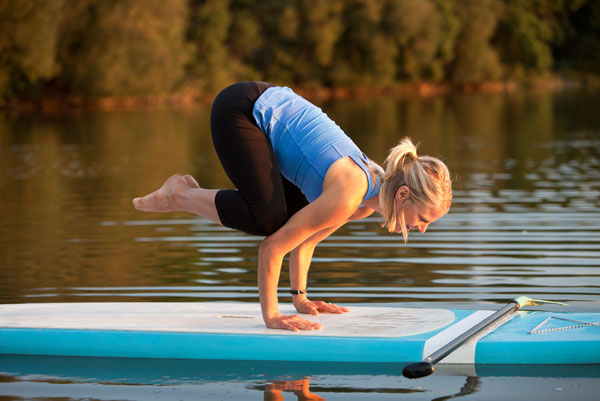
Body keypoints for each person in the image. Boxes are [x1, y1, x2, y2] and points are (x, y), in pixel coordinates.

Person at [133, 81, 452, 332]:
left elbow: (306, 239)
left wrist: (300, 299)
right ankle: (179, 195)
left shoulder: (365, 202)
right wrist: (272, 316)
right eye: (423, 218)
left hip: (264, 106)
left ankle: (185, 192)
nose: (422, 228)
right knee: (269, 222)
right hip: (241, 108)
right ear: (403, 195)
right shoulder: (351, 193)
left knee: (287, 222)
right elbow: (271, 248)